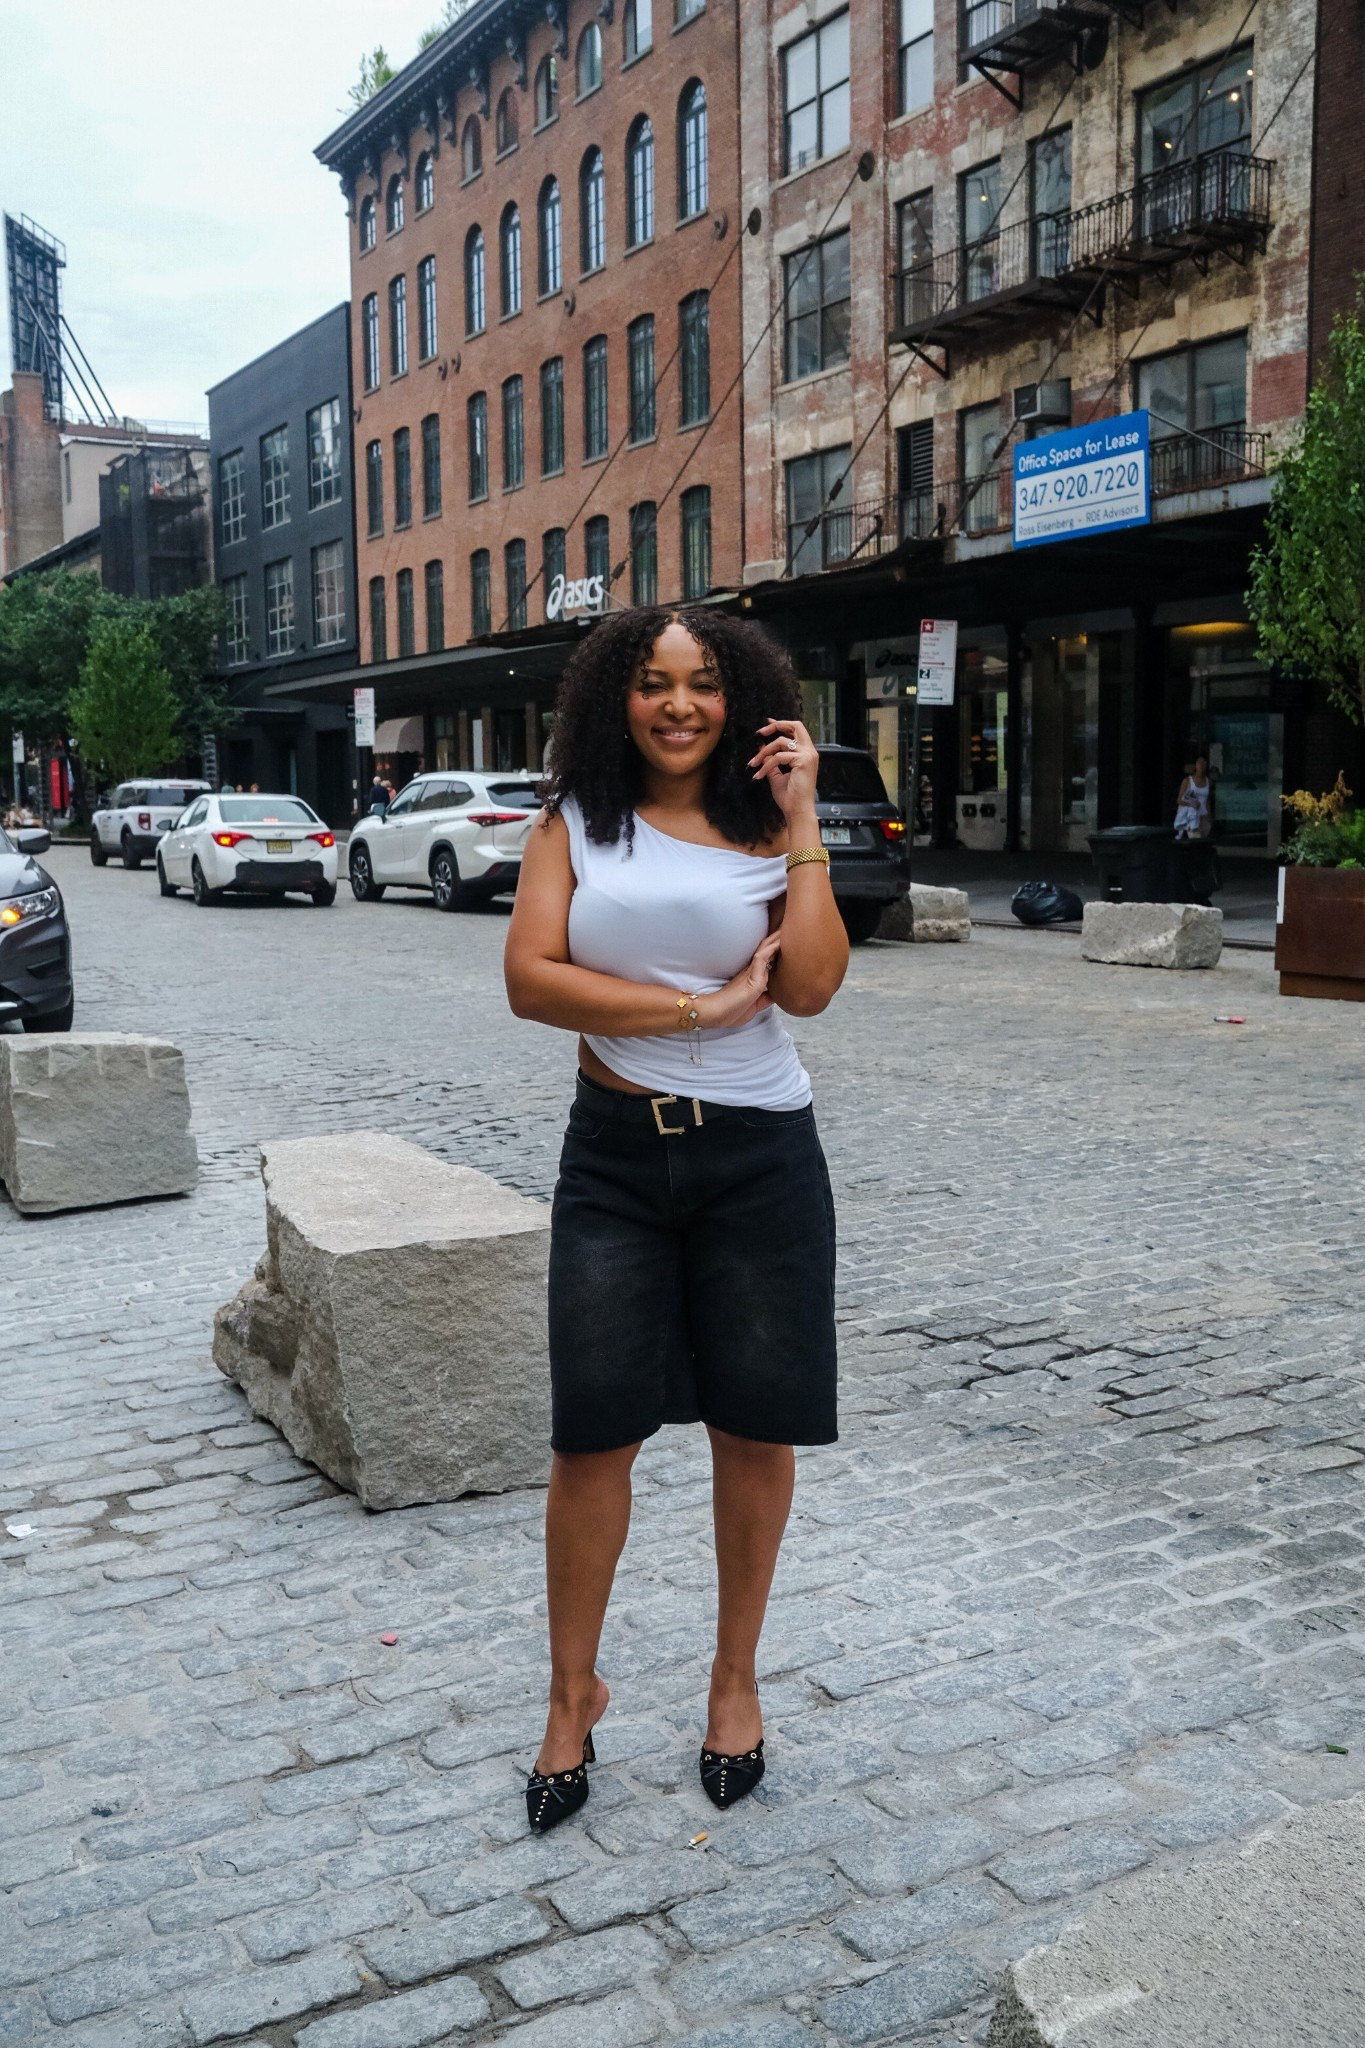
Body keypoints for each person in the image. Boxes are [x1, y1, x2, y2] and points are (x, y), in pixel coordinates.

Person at [504, 607, 849, 1835]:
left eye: (703, 684)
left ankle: (734, 1680)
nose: (678, 705)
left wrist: (804, 820)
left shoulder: (771, 830)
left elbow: (805, 986)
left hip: (761, 1161)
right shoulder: (573, 821)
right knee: (592, 1434)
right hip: (614, 1159)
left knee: (756, 1430)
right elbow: (529, 978)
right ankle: (570, 1693)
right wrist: (693, 1013)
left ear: (740, 696)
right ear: (617, 696)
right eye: (653, 683)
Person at [1174, 754, 1213, 839]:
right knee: (1195, 840)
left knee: (1204, 841)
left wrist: (1210, 817)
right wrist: (1191, 803)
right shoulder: (1188, 780)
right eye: (1199, 763)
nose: (1202, 766)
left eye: (1204, 763)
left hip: (1205, 817)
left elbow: (1207, 800)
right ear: (1196, 765)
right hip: (1193, 817)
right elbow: (1179, 800)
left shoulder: (1207, 781)